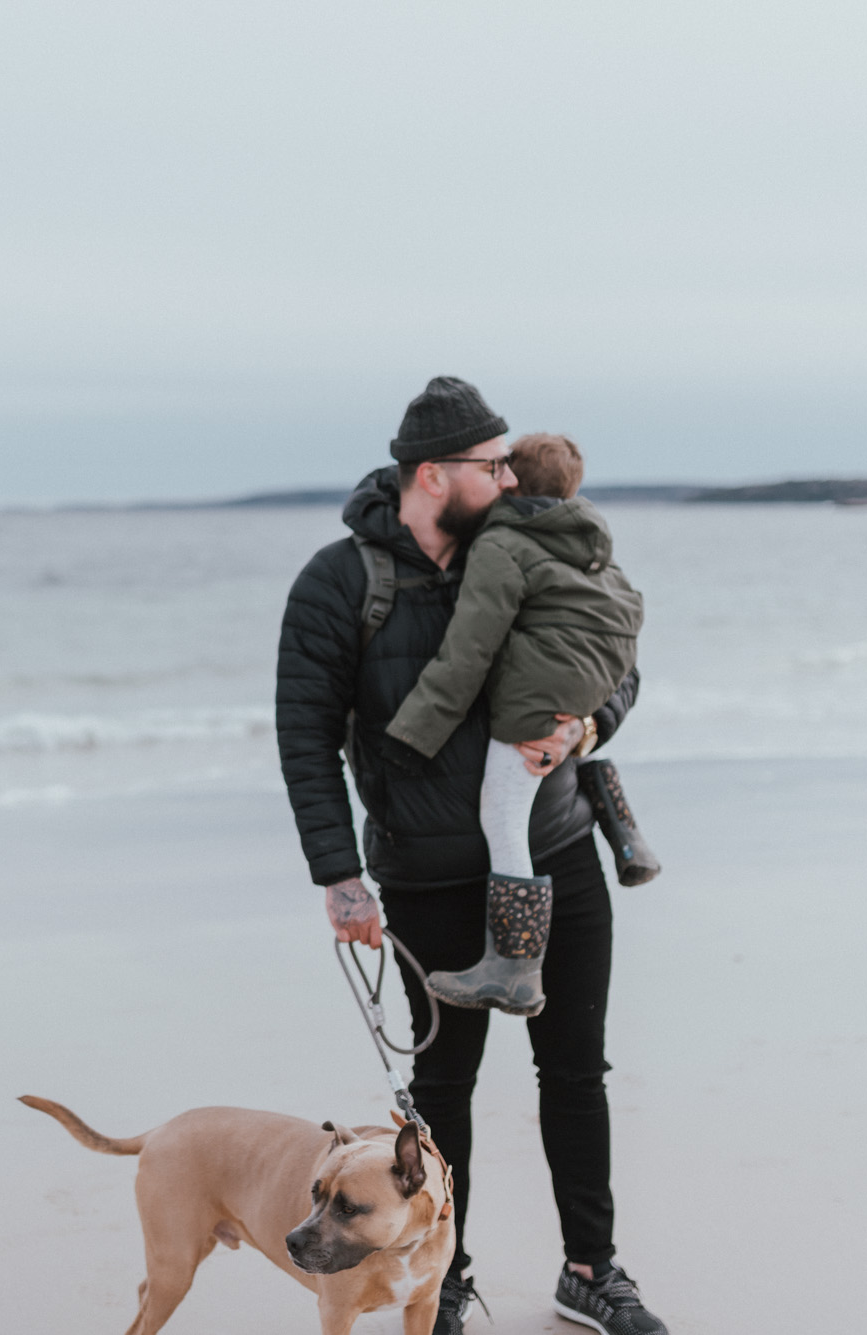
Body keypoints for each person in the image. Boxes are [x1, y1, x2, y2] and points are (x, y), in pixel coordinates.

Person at [274, 377, 669, 1335]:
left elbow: (615, 657)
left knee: (576, 1070)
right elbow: (304, 733)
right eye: (490, 464)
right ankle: (441, 1279)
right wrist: (338, 874)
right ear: (431, 474)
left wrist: (583, 727)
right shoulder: (341, 581)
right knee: (442, 1092)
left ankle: (591, 1269)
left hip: (558, 849)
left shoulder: (528, 539)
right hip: (429, 871)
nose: (508, 475)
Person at [381, 431, 643, 1018]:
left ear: (512, 482)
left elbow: (466, 654)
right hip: (581, 690)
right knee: (531, 794)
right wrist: (587, 716)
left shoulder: (502, 545)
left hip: (529, 713)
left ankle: (515, 966)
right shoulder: (591, 544)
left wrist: (410, 737)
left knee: (502, 819)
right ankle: (628, 836)